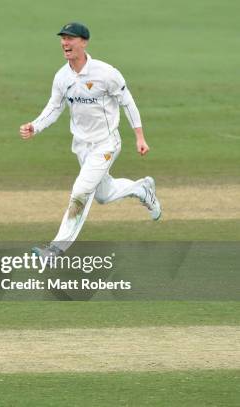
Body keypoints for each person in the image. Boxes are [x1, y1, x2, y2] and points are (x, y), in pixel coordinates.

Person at [19, 22, 162, 256]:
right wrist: (35, 126)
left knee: (81, 191)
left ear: (83, 42)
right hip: (81, 146)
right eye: (63, 38)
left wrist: (140, 137)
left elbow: (128, 102)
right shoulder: (62, 77)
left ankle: (56, 249)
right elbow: (54, 108)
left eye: (70, 38)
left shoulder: (106, 73)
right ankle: (142, 189)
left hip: (106, 143)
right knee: (103, 195)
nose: (65, 43)